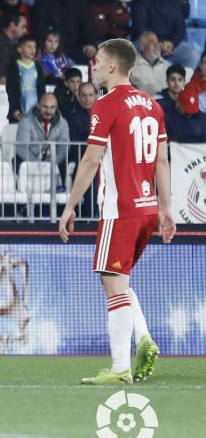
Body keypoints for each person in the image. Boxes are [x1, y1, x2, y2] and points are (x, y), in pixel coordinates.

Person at [58, 37, 174, 385]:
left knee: (112, 283)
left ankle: (121, 367)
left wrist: (69, 206)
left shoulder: (106, 106)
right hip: (147, 208)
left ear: (112, 66)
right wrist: (167, 208)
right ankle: (144, 339)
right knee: (120, 280)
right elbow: (162, 161)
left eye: (97, 62)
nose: (92, 67)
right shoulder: (152, 105)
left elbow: (91, 160)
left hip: (120, 210)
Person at [131, 0, 195, 68]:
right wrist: (158, 44)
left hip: (169, 45)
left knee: (192, 55)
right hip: (146, 43)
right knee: (150, 52)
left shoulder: (174, 1)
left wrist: (172, 43)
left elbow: (180, 27)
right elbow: (140, 27)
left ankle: (178, 82)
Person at [32, 0, 96, 62]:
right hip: (52, 47)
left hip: (76, 47)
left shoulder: (78, 2)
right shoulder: (42, 1)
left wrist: (90, 43)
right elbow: (39, 27)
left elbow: (87, 25)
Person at [14, 92, 69, 178]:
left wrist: (53, 163)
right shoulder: (26, 121)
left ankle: (60, 189)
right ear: (38, 106)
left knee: (64, 162)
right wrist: (38, 164)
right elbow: (22, 148)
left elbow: (64, 148)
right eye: (45, 107)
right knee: (18, 160)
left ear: (56, 107)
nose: (48, 111)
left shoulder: (63, 124)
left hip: (53, 162)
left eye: (52, 107)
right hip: (30, 162)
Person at [157, 65, 205, 143]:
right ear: (167, 81)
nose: (177, 83)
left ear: (184, 82)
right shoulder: (158, 102)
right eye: (173, 79)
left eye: (180, 80)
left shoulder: (190, 96)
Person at [6, 35, 46, 121]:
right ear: (19, 49)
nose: (33, 50)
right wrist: (14, 108)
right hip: (19, 110)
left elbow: (42, 89)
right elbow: (11, 90)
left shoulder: (38, 67)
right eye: (29, 46)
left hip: (36, 110)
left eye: (34, 47)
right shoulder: (13, 67)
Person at [130, 31, 169, 96]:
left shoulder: (167, 66)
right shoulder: (131, 67)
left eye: (157, 42)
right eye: (151, 42)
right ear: (142, 47)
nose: (156, 45)